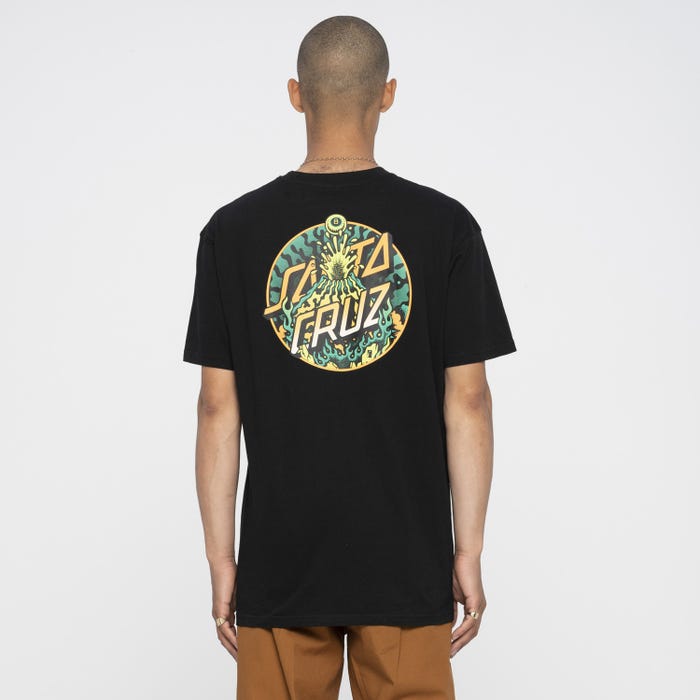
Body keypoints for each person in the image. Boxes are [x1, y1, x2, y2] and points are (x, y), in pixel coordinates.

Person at [182, 14, 517, 700]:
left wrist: (222, 559)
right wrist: (468, 549)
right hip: (405, 560)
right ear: (387, 94)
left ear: (295, 94)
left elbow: (217, 407)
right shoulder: (445, 226)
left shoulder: (232, 231)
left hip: (281, 561)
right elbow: (469, 400)